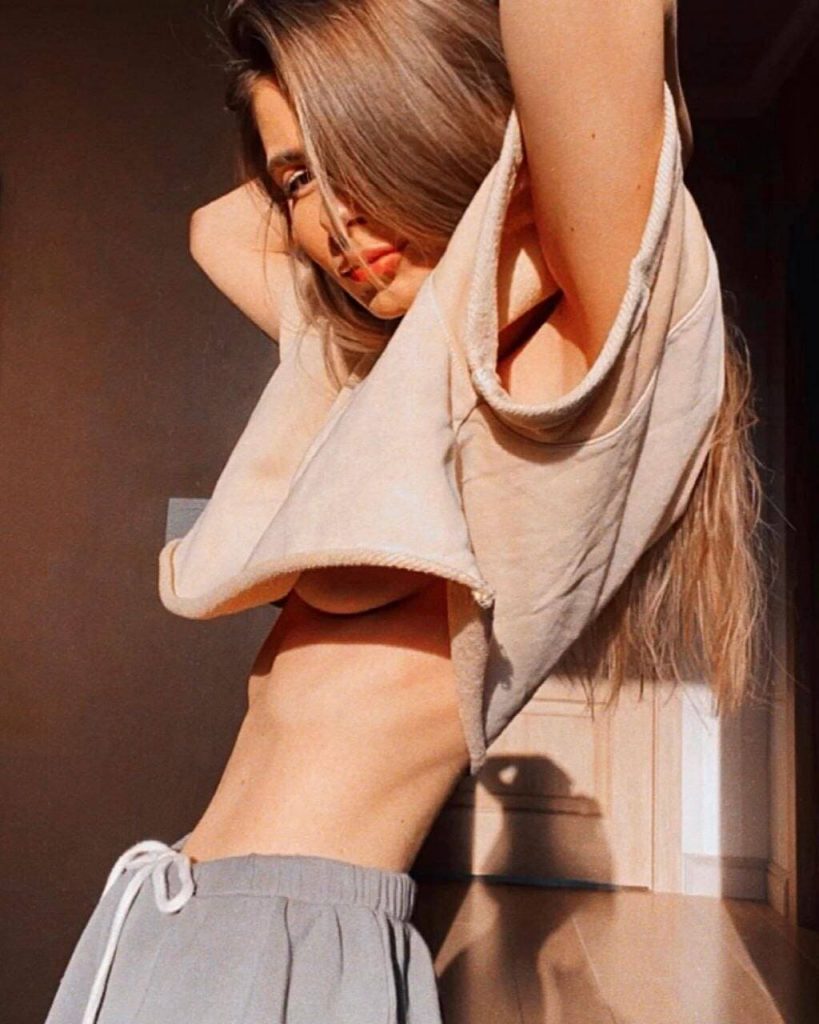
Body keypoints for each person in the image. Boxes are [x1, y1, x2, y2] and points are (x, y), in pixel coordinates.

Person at [44, 1, 767, 1022]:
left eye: (364, 147)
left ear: (435, 123)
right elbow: (219, 229)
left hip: (283, 949)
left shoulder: (573, 372)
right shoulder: (394, 383)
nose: (333, 223)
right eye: (299, 178)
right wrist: (368, 143)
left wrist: (443, 148)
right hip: (173, 915)